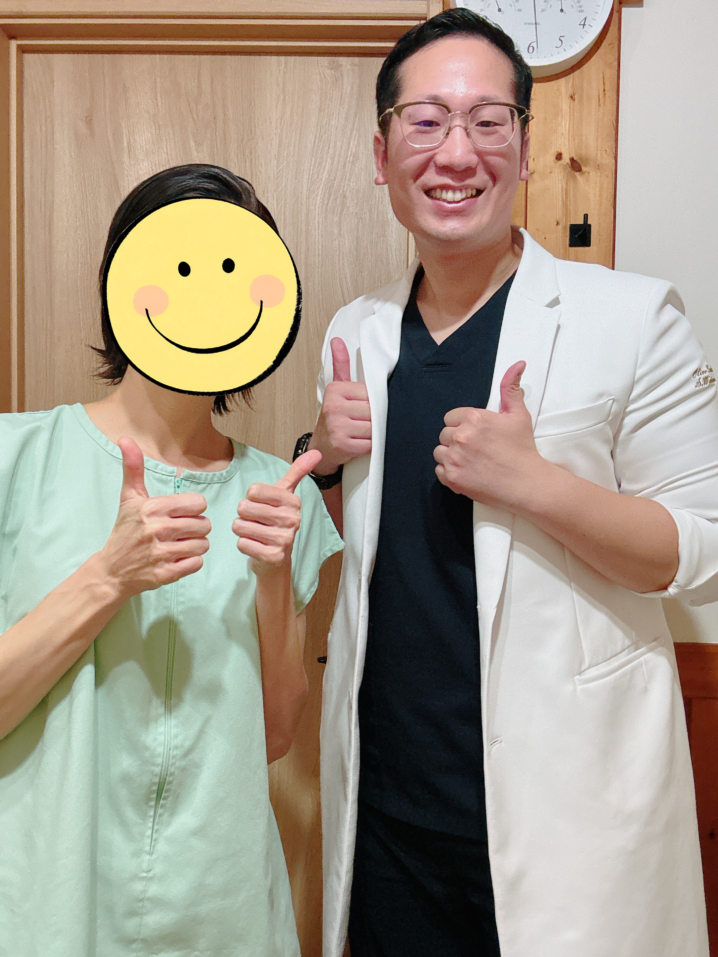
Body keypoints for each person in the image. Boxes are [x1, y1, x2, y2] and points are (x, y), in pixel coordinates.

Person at [302, 10, 718, 957]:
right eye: (426, 121)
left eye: (488, 122)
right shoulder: (357, 330)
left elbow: (699, 551)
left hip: (567, 820)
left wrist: (534, 484)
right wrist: (321, 457)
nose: (457, 152)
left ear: (526, 151)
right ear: (382, 154)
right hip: (389, 816)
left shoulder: (632, 318)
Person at [0, 164, 343, 957]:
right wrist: (107, 576)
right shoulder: (16, 459)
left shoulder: (276, 493)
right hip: (46, 904)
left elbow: (274, 735)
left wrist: (271, 578)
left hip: (219, 908)